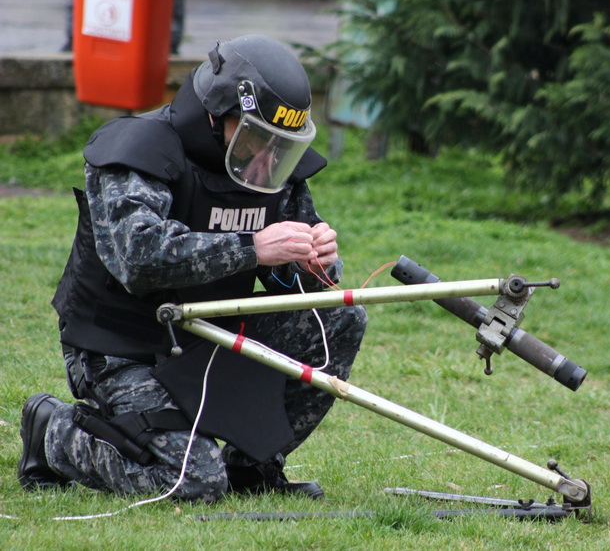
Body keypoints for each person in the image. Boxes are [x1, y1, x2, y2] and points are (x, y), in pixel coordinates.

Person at [18, 34, 368, 503]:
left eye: (278, 145)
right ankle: (52, 431)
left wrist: (312, 260)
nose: (266, 156)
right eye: (257, 138)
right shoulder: (138, 150)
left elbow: (297, 275)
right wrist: (253, 248)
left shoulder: (269, 168)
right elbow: (137, 258)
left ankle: (254, 468)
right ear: (216, 113)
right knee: (191, 481)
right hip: (123, 347)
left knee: (338, 317)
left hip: (213, 335)